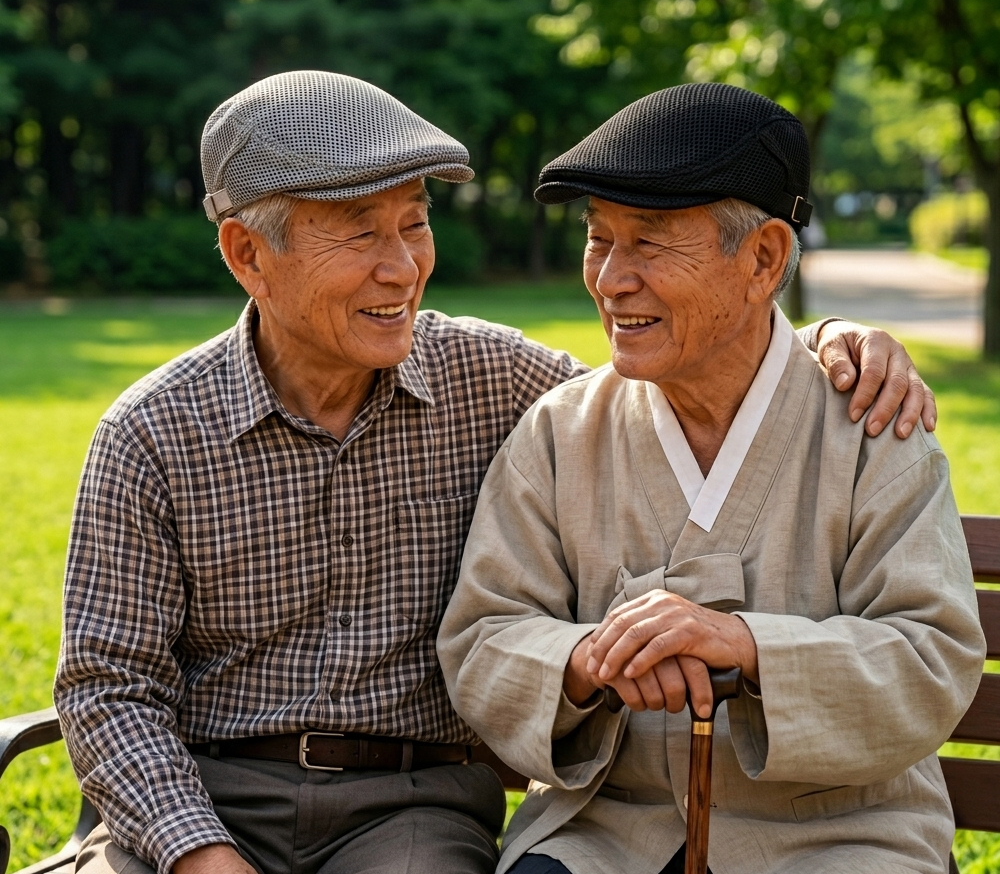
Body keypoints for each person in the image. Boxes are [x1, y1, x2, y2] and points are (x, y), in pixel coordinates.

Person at [57, 71, 936, 874]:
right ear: (248, 254)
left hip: (404, 812)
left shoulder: (501, 384)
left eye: (414, 222)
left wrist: (827, 345)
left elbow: (719, 364)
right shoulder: (152, 432)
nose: (402, 267)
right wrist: (199, 857)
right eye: (360, 232)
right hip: (205, 798)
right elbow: (108, 688)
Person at [438, 82, 985, 874]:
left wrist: (748, 646)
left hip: (839, 838)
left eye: (651, 241)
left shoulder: (874, 428)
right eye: (599, 239)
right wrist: (588, 661)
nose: (610, 278)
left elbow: (929, 657)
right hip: (608, 833)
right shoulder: (561, 430)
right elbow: (485, 636)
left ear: (763, 257)